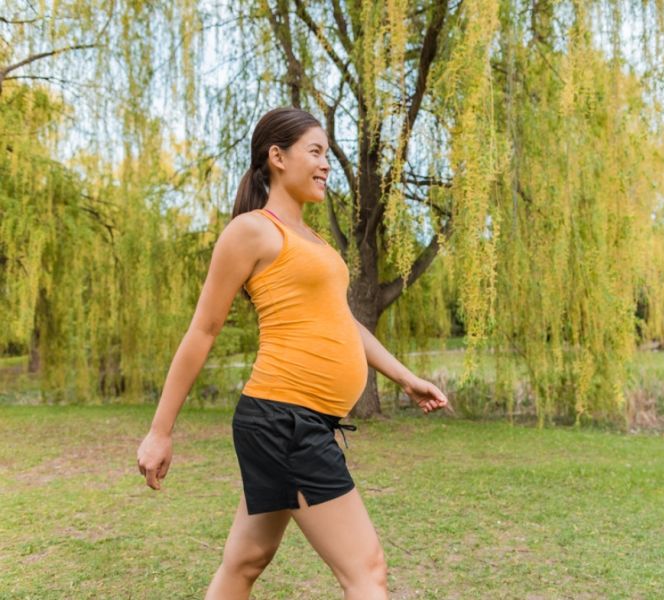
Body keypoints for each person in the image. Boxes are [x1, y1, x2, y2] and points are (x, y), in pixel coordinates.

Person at [136, 106, 450, 600]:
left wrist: (404, 377)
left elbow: (342, 324)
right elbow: (203, 330)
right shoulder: (251, 230)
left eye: (328, 153)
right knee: (367, 571)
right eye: (316, 151)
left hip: (297, 421)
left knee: (244, 562)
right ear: (277, 156)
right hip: (285, 420)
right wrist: (160, 431)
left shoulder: (316, 242)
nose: (327, 164)